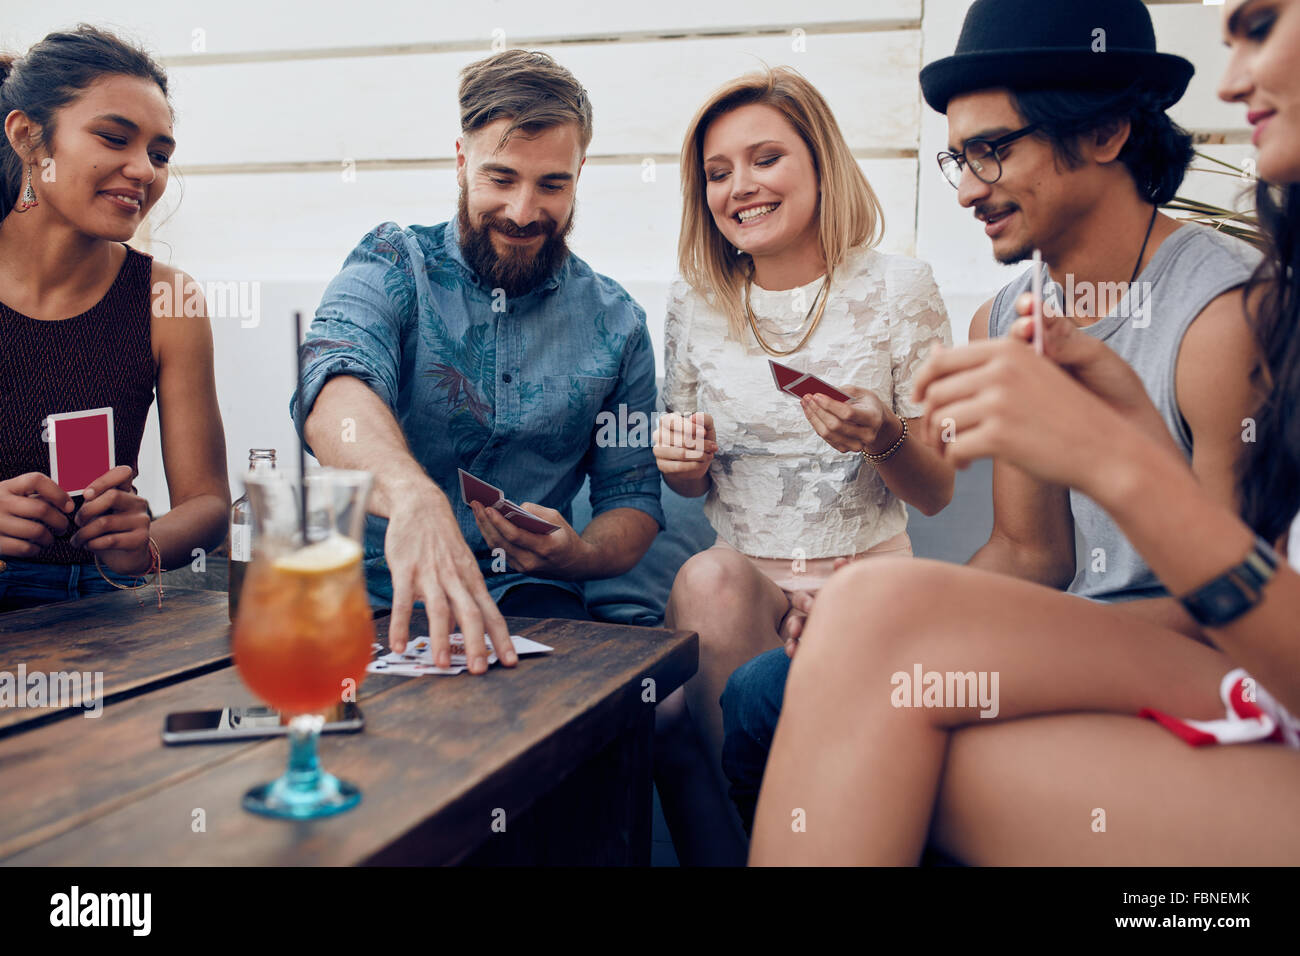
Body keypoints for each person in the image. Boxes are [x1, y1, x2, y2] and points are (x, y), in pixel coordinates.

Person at [749, 0, 1300, 865]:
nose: (968, 188)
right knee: (770, 688)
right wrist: (918, 617)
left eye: (994, 149)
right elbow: (1031, 552)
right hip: (1079, 630)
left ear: (1110, 130)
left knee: (857, 658)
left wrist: (1112, 456)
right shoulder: (1010, 318)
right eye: (958, 157)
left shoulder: (1220, 319)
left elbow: (1234, 609)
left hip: (1197, 648)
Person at [652, 67, 955, 864]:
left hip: (868, 583)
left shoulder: (901, 287)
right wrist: (682, 461)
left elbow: (938, 490)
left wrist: (884, 437)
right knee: (706, 581)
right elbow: (690, 481)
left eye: (765, 160)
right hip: (743, 595)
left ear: (820, 163)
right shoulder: (694, 302)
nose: (739, 187)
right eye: (717, 174)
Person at [293, 50, 664, 673]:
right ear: (462, 163)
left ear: (580, 174)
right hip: (362, 590)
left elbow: (632, 499)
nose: (523, 212)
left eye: (552, 184)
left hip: (530, 600)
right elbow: (333, 387)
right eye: (501, 178)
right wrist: (414, 497)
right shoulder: (393, 261)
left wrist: (578, 554)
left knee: (574, 732)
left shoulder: (618, 323)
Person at [0, 25, 229, 613]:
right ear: (29, 137)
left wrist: (144, 543)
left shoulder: (167, 300)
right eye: (113, 138)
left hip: (98, 610)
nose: (145, 171)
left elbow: (206, 503)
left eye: (158, 154)